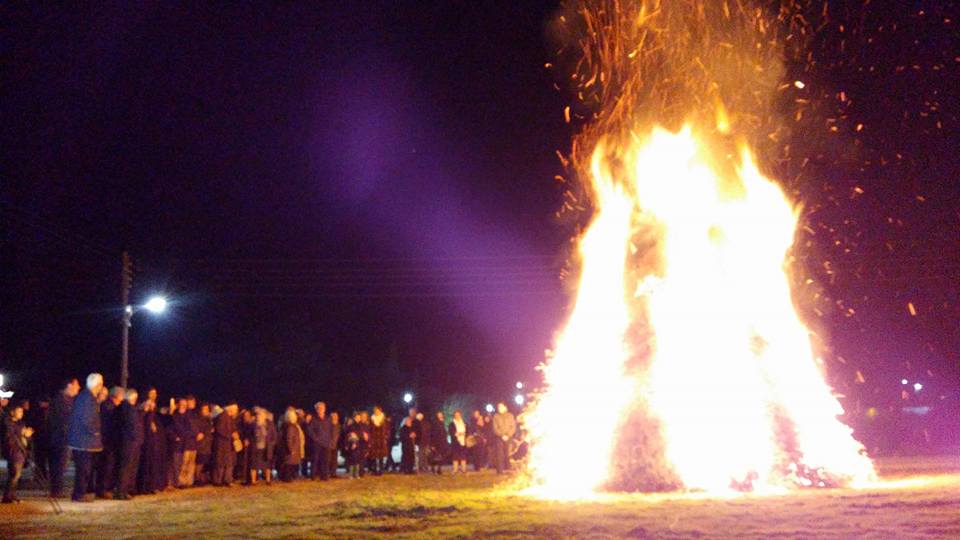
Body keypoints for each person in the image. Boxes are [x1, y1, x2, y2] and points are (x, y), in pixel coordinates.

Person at [67, 373, 104, 502]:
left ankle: (85, 492)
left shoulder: (88, 397)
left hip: (87, 441)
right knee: (84, 469)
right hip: (84, 441)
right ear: (97, 385)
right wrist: (95, 431)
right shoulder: (86, 398)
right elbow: (86, 419)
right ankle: (79, 494)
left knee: (87, 469)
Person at [46, 377, 79, 498]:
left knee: (61, 465)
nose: (78, 388)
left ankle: (57, 489)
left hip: (64, 437)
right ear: (69, 385)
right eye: (76, 385)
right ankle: (56, 490)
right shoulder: (60, 400)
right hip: (61, 438)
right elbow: (61, 421)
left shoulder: (68, 400)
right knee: (59, 464)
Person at [96, 386, 124, 498]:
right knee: (107, 465)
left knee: (110, 465)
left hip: (111, 439)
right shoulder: (107, 406)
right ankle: (103, 489)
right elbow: (109, 423)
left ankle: (107, 488)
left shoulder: (111, 406)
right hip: (108, 440)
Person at [2, 401, 34, 503]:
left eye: (22, 411)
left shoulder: (21, 423)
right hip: (14, 452)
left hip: (21, 451)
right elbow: (10, 438)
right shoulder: (8, 424)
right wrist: (23, 434)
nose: (21, 413)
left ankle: (12, 495)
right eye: (19, 411)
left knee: (17, 475)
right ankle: (7, 496)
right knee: (14, 474)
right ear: (12, 412)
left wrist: (27, 436)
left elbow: (25, 437)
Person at [116, 389, 143, 500]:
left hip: (132, 441)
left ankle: (127, 489)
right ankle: (122, 491)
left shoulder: (128, 408)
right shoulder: (127, 408)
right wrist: (135, 437)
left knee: (130, 467)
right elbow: (131, 425)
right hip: (130, 442)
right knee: (126, 467)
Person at [137, 398, 164, 494]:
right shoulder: (143, 415)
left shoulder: (155, 416)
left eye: (153, 404)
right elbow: (146, 425)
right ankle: (144, 487)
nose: (151, 406)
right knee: (146, 466)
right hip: (146, 445)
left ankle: (152, 486)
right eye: (149, 404)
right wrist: (148, 411)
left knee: (153, 466)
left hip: (154, 445)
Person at [172, 397, 200, 487]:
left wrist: (196, 433)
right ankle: (181, 482)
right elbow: (179, 428)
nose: (184, 406)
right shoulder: (175, 416)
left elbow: (194, 427)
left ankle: (189, 481)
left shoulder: (190, 415)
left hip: (192, 443)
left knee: (191, 464)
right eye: (182, 404)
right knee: (183, 464)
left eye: (185, 404)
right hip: (184, 444)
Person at [212, 402, 239, 487]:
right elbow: (220, 429)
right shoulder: (223, 416)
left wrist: (235, 432)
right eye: (235, 409)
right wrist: (230, 434)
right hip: (222, 444)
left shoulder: (229, 417)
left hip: (227, 444)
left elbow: (232, 428)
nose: (236, 411)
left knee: (228, 462)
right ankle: (219, 480)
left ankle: (227, 479)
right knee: (221, 462)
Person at [306, 401, 332, 481]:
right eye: (319, 408)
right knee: (315, 460)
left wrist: (329, 439)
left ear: (324, 409)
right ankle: (313, 476)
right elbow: (309, 430)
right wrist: (315, 438)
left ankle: (324, 476)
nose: (320, 410)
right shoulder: (313, 419)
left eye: (322, 408)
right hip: (316, 443)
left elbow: (330, 429)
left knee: (325, 460)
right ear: (316, 410)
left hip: (326, 442)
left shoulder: (328, 418)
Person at [278, 408, 304, 482]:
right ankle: (287, 478)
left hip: (294, 448)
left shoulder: (290, 425)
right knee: (289, 464)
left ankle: (288, 477)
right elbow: (289, 438)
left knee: (290, 463)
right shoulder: (290, 427)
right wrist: (291, 449)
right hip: (292, 448)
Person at [492, 402, 517, 474]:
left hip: (508, 437)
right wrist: (502, 435)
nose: (499, 408)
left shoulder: (510, 416)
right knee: (499, 454)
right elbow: (495, 428)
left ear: (505, 407)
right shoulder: (496, 416)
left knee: (508, 453)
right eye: (498, 407)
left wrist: (508, 435)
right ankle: (500, 470)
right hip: (499, 438)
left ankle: (508, 468)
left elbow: (513, 427)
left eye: (500, 407)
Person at [194, 403, 214, 485]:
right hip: (201, 445)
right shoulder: (199, 419)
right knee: (199, 462)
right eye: (204, 409)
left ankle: (202, 478)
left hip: (207, 444)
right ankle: (197, 479)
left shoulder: (209, 419)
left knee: (205, 462)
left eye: (207, 409)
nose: (205, 411)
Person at [367, 406, 389, 476]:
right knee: (374, 456)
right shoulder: (372, 419)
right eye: (375, 411)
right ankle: (375, 470)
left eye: (378, 411)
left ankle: (381, 470)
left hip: (381, 440)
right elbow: (369, 429)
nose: (376, 412)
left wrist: (386, 437)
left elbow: (387, 429)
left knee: (381, 456)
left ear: (380, 411)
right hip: (374, 439)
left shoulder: (384, 419)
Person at [448, 410, 468, 474]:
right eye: (456, 415)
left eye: (458, 415)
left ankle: (463, 469)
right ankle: (455, 469)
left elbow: (468, 431)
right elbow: (451, 432)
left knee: (463, 456)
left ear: (460, 415)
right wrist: (457, 434)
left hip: (463, 441)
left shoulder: (464, 422)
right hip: (455, 442)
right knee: (455, 456)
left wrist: (465, 434)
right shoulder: (452, 423)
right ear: (454, 416)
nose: (457, 416)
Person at [328, 411, 340, 478]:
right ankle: (328, 472)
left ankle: (333, 473)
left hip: (336, 445)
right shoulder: (329, 424)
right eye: (333, 416)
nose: (335, 417)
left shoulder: (338, 425)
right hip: (329, 445)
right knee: (328, 460)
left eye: (336, 416)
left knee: (334, 460)